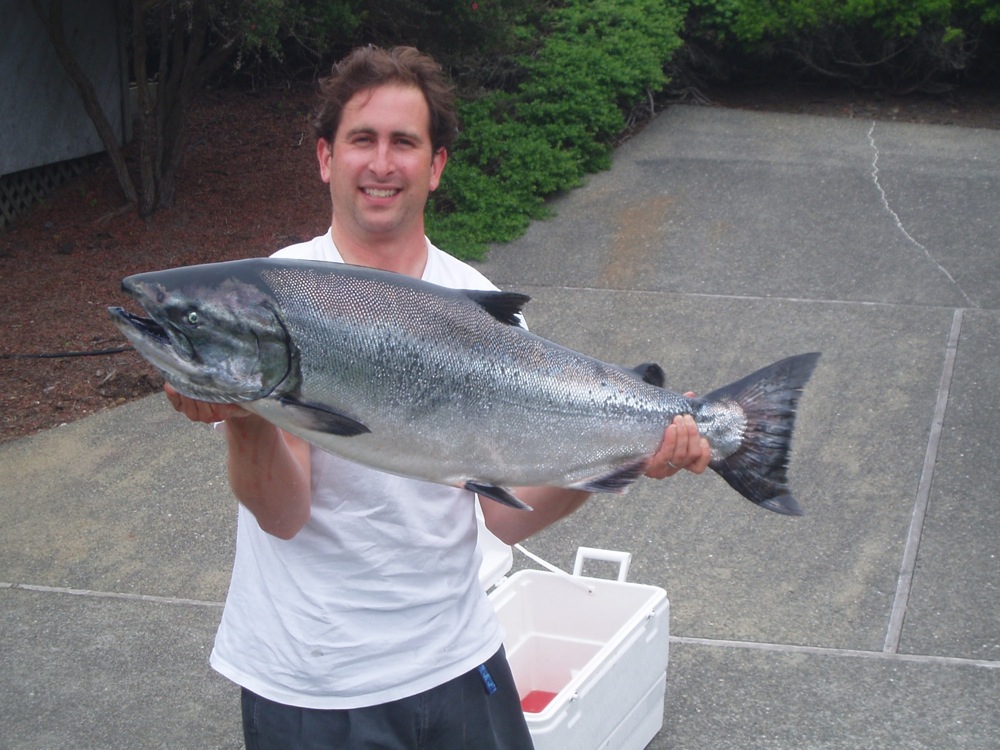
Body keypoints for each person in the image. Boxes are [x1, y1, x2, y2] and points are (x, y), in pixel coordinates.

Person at [166, 45, 711, 750]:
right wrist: (246, 416)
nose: (383, 163)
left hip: (458, 662)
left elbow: (503, 520)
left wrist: (626, 458)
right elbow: (284, 513)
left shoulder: (482, 309)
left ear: (436, 165)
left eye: (405, 142)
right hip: (311, 680)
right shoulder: (275, 296)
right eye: (362, 140)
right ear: (327, 158)